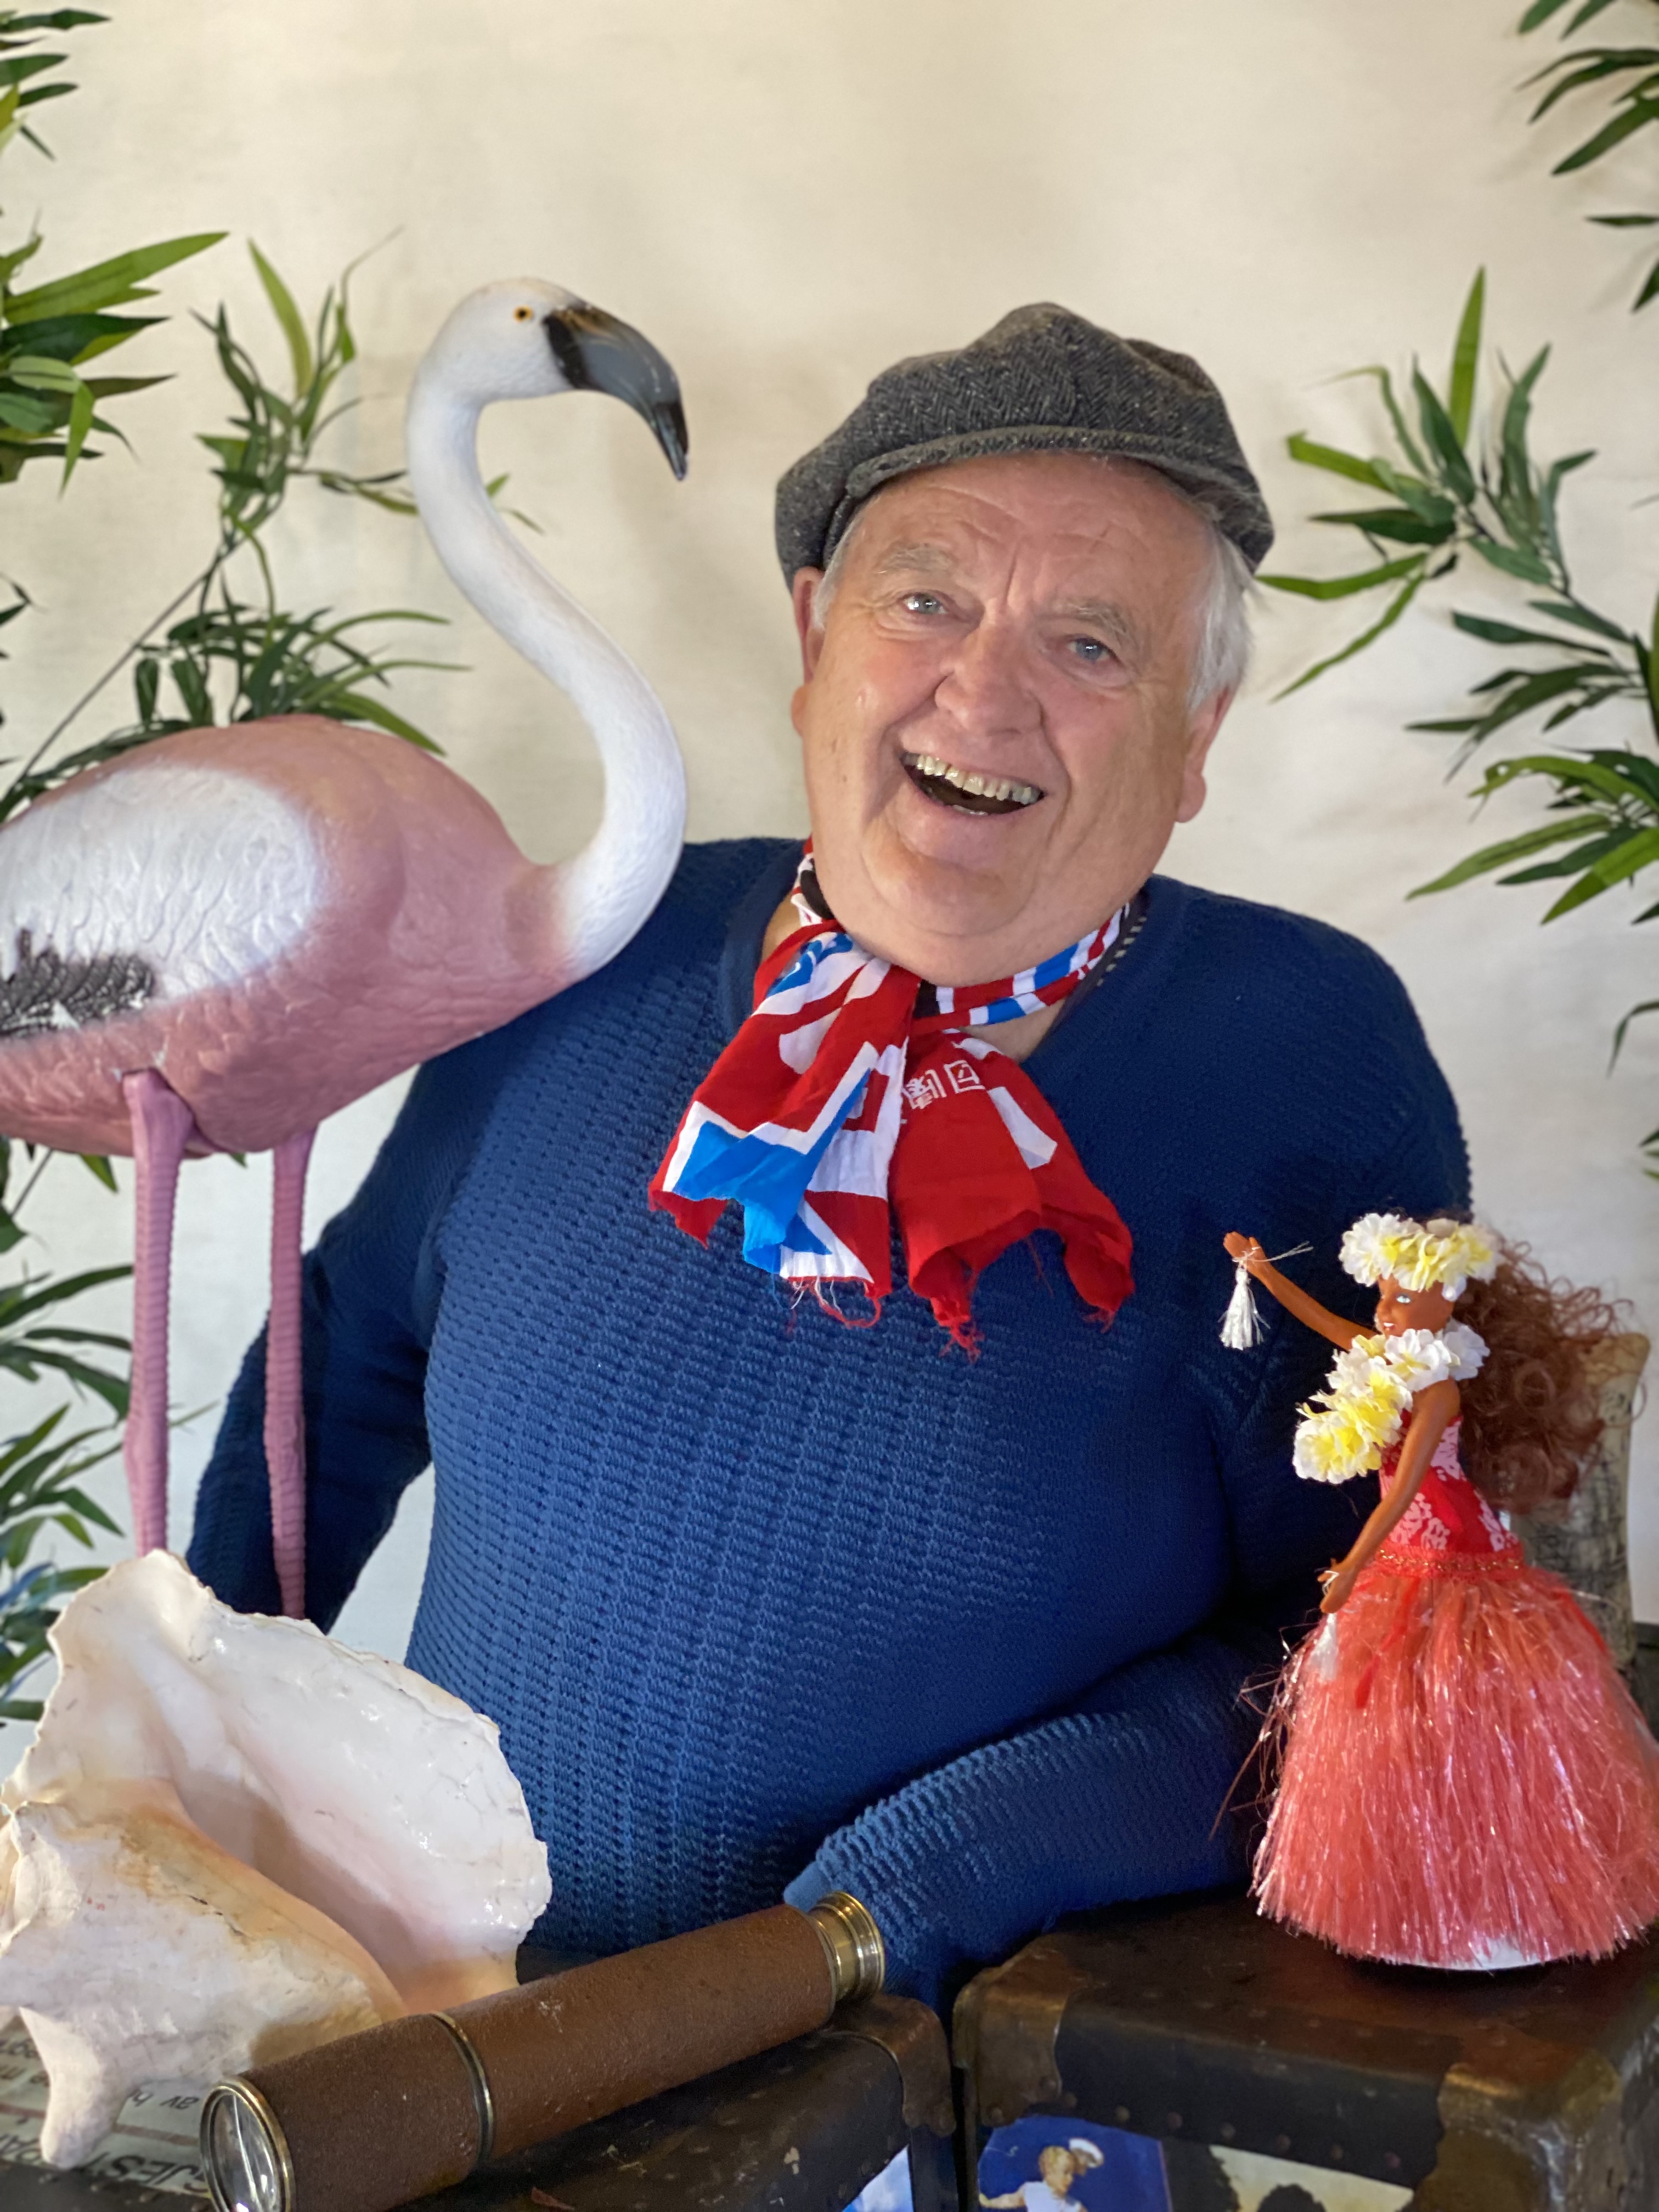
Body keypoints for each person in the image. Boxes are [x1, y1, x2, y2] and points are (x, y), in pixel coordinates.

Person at [189, 304, 1468, 2008]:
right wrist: (186, 1741)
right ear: (812, 634)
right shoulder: (597, 945)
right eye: (924, 603)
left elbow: (1379, 1628)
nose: (984, 692)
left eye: (1092, 645)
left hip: (954, 2074)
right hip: (435, 2037)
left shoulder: (1301, 1055)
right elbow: (344, 1355)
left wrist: (939, 1882)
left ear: (1199, 733)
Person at [1225, 1215, 1659, 1967]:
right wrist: (1263, 1274)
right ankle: (1410, 1901)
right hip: (1403, 1556)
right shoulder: (1385, 1360)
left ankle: (1504, 1899)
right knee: (1392, 1708)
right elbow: (1324, 1320)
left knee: (1470, 1693)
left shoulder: (1440, 1393)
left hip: (1453, 1549)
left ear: (1448, 1302)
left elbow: (1403, 1495)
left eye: (1405, 1298)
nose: (1387, 1310)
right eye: (1384, 1295)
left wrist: (1352, 1565)